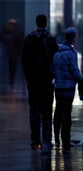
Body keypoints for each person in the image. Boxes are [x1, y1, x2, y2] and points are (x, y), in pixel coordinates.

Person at [21, 14, 59, 150]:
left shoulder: (29, 38)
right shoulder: (50, 38)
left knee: (34, 110)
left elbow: (24, 58)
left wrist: (27, 76)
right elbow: (56, 57)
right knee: (47, 110)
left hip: (33, 80)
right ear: (46, 23)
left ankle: (35, 138)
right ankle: (47, 137)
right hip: (47, 81)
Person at [52, 27, 83, 150]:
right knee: (67, 115)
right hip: (69, 88)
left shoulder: (57, 51)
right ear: (74, 38)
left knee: (58, 113)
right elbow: (75, 72)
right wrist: (81, 79)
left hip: (58, 87)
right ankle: (65, 140)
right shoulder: (71, 53)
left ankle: (57, 138)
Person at [1, 18, 23, 88]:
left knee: (12, 69)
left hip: (13, 55)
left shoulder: (17, 34)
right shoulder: (5, 33)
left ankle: (12, 81)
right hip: (8, 55)